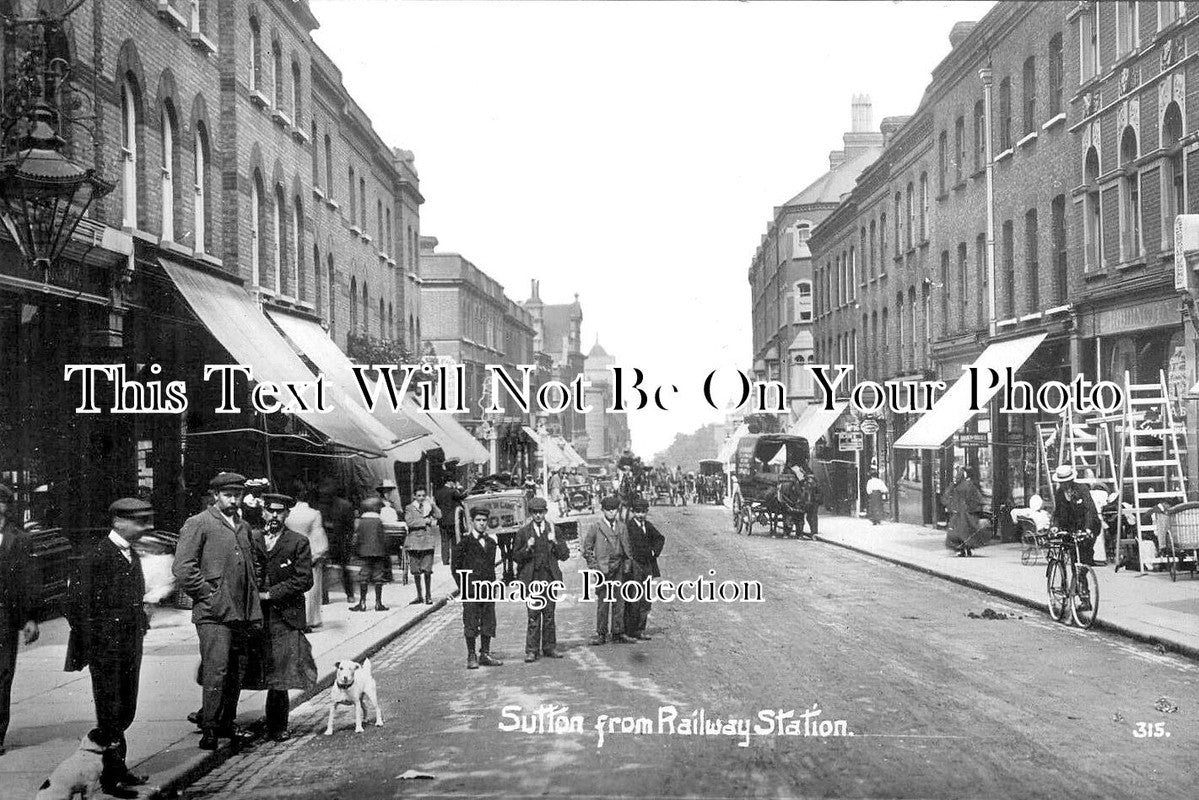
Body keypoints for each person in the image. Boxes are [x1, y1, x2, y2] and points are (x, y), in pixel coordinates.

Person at [63, 498, 155, 797]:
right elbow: (76, 606)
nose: (147, 527)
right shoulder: (96, 556)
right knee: (111, 712)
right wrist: (97, 643)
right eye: (140, 522)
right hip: (106, 649)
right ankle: (110, 777)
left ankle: (119, 766)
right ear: (118, 522)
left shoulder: (131, 555)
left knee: (126, 708)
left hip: (129, 645)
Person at [173, 472, 264, 751]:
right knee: (216, 671)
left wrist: (254, 587)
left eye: (237, 494)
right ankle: (210, 729)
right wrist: (207, 594)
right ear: (215, 496)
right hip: (213, 614)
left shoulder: (244, 526)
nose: (233, 499)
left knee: (236, 671)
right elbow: (183, 568)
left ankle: (227, 723)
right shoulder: (198, 523)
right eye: (228, 495)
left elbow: (252, 564)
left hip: (242, 612)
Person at [253, 494, 318, 741]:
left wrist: (271, 594)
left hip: (284, 616)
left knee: (281, 674)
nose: (274, 516)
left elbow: (304, 579)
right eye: (270, 511)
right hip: (255, 615)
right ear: (263, 513)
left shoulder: (298, 542)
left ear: (287, 515)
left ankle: (277, 726)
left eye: (280, 512)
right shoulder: (253, 538)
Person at [0, 484, 39, 758]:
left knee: (2, 676)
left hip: (4, 617)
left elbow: (28, 581)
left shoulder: (20, 540)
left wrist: (30, 617)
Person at [512, 497, 570, 662]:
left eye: (541, 512)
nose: (538, 515)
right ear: (531, 514)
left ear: (545, 512)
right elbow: (516, 557)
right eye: (535, 513)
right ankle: (531, 650)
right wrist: (527, 547)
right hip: (532, 579)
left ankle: (549, 647)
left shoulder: (554, 530)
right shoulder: (523, 532)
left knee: (550, 614)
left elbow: (564, 555)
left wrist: (555, 541)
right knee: (533, 615)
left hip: (549, 578)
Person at [455, 507, 503, 669]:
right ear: (472, 522)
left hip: (488, 588)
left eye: (484, 521)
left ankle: (485, 653)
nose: (482, 524)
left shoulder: (491, 543)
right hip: (471, 590)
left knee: (488, 621)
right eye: (478, 520)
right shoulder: (464, 543)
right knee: (471, 621)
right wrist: (464, 586)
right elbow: (455, 567)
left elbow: (490, 566)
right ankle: (471, 655)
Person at [583, 496, 630, 645]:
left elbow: (627, 548)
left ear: (617, 511)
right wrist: (594, 566)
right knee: (603, 602)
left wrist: (627, 565)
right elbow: (587, 548)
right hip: (602, 570)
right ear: (603, 510)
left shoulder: (622, 527)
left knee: (619, 601)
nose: (611, 513)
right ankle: (601, 633)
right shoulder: (596, 527)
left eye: (614, 510)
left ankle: (617, 632)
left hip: (618, 568)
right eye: (608, 510)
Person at [284, 483, 328, 629]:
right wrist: (319, 553)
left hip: (289, 551)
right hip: (309, 551)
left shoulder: (288, 514)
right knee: (311, 587)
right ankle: (311, 618)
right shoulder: (314, 514)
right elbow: (318, 535)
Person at [623, 498, 664, 640]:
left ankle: (641, 629)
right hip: (635, 566)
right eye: (638, 512)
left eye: (643, 512)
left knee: (646, 599)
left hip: (647, 566)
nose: (640, 515)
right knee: (634, 598)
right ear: (633, 512)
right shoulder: (628, 527)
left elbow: (660, 538)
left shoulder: (648, 525)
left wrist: (654, 552)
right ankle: (630, 630)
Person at [1050, 464, 1102, 566]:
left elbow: (1089, 510)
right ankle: (1075, 577)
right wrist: (1055, 525)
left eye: (1066, 482)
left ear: (1071, 480)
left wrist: (1088, 528)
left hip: (1088, 526)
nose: (1063, 485)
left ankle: (1081, 578)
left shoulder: (1082, 489)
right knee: (1074, 557)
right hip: (1071, 528)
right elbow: (1058, 512)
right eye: (1061, 482)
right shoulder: (1059, 493)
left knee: (1085, 559)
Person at [315, 478, 356, 604]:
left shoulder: (319, 507)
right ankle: (349, 595)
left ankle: (325, 597)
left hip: (330, 540)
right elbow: (350, 527)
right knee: (343, 569)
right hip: (339, 541)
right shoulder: (345, 505)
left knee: (325, 570)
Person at [351, 497, 391, 612]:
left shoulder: (361, 522)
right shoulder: (378, 521)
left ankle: (362, 603)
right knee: (378, 576)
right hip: (378, 552)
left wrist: (356, 551)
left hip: (364, 552)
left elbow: (357, 537)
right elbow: (384, 538)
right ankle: (378, 603)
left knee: (364, 576)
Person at [404, 487, 441, 605]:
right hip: (414, 542)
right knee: (416, 571)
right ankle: (419, 595)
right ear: (414, 496)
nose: (421, 498)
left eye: (423, 495)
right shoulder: (409, 508)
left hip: (427, 542)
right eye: (419, 495)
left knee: (428, 571)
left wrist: (433, 505)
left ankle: (428, 596)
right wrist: (425, 521)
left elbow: (439, 515)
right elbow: (409, 522)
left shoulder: (428, 507)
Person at [942, 465, 988, 556]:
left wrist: (950, 507)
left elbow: (948, 497)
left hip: (959, 513)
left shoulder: (956, 486)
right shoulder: (969, 485)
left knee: (958, 531)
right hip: (966, 513)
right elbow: (977, 498)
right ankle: (967, 550)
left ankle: (962, 550)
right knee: (967, 531)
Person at [434, 478, 464, 569]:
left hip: (442, 520)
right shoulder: (453, 491)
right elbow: (462, 497)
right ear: (450, 482)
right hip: (452, 520)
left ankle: (445, 560)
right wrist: (459, 488)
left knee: (444, 540)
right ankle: (454, 558)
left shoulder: (438, 492)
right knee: (454, 540)